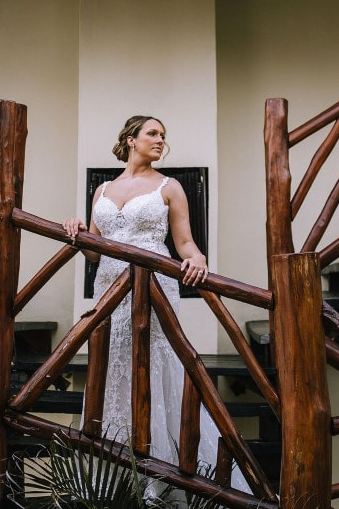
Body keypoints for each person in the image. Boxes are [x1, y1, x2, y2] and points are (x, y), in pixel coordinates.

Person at [63, 115, 248, 494]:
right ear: (131, 140)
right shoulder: (102, 191)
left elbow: (185, 243)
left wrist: (198, 259)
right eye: (152, 133)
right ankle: (114, 477)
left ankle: (160, 477)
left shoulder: (170, 187)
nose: (160, 140)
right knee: (112, 364)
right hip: (108, 287)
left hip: (153, 287)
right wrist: (78, 232)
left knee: (151, 363)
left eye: (163, 135)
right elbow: (96, 252)